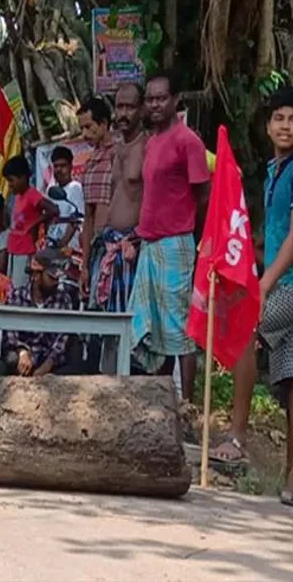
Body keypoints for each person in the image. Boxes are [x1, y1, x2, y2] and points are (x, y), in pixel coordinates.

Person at [210, 88, 293, 505]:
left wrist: (265, 282)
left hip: (289, 285)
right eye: (279, 118)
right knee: (291, 380)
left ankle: (239, 435)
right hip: (283, 278)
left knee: (244, 328)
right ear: (267, 126)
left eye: (292, 119)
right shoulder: (274, 170)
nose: (286, 125)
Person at [129, 71, 210, 398]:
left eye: (161, 98)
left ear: (176, 100)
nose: (155, 104)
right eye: (150, 99)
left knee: (179, 328)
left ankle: (187, 404)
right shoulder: (153, 142)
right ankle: (162, 402)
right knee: (155, 328)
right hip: (149, 244)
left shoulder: (187, 140)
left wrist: (203, 241)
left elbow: (203, 193)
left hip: (176, 243)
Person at [88, 83, 147, 374]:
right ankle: (111, 386)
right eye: (119, 107)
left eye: (129, 107)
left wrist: (138, 238)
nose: (123, 113)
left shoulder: (149, 147)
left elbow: (153, 198)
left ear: (142, 109)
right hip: (110, 246)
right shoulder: (117, 150)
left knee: (133, 325)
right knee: (107, 328)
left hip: (133, 249)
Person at [5, 249, 79, 377]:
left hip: (50, 358)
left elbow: (63, 339)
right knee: (10, 360)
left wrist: (47, 366)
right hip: (24, 354)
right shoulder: (16, 296)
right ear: (36, 276)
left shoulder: (63, 299)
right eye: (51, 278)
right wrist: (22, 352)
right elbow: (10, 333)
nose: (56, 282)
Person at [2, 156, 59, 288]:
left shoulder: (32, 194)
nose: (9, 185)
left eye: (11, 180)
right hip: (14, 248)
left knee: (20, 287)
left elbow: (53, 209)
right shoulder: (17, 197)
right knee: (11, 287)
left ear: (23, 177)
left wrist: (37, 222)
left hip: (26, 250)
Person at [78, 97, 116, 292]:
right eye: (81, 128)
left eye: (88, 126)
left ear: (103, 124)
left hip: (121, 249)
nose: (84, 134)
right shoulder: (89, 165)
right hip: (97, 252)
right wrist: (84, 266)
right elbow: (88, 218)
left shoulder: (122, 155)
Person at [46, 147, 84, 251]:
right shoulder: (52, 190)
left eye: (63, 166)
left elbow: (75, 220)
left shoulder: (75, 187)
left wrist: (63, 243)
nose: (59, 170)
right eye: (56, 166)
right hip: (52, 241)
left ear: (71, 167)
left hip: (68, 245)